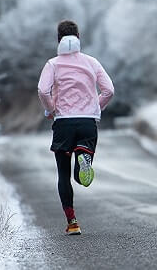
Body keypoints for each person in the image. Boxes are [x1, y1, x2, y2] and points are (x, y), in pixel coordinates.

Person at [37, 20, 114, 235]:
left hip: (63, 123)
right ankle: (83, 158)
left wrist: (51, 110)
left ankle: (72, 222)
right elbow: (109, 90)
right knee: (81, 174)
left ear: (58, 39)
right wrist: (94, 108)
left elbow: (43, 91)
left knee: (63, 174)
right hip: (87, 122)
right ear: (78, 37)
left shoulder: (52, 64)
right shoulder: (92, 62)